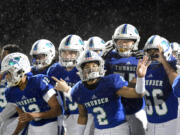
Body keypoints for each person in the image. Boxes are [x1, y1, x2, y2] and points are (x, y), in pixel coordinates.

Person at [70, 50, 150, 135]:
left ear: (100, 67)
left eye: (94, 65)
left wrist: (141, 77)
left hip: (118, 129)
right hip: (98, 130)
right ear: (81, 70)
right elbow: (82, 115)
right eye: (87, 66)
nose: (91, 69)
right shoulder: (78, 90)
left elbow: (138, 94)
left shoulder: (110, 82)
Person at [1, 52, 61, 135]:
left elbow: (57, 110)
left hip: (50, 124)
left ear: (20, 71)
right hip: (33, 127)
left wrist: (36, 115)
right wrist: (15, 133)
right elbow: (23, 118)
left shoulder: (39, 82)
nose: (6, 77)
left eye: (9, 73)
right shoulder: (10, 92)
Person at [48, 34, 94, 135]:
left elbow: (91, 97)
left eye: (72, 53)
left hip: (87, 115)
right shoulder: (54, 70)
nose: (67, 56)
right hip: (67, 116)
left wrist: (68, 90)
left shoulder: (87, 70)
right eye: (64, 52)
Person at [105, 24, 147, 135]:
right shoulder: (108, 57)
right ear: (114, 42)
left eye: (127, 41)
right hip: (115, 108)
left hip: (137, 107)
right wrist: (100, 56)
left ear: (134, 42)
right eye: (120, 41)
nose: (123, 44)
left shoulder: (142, 57)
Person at [143, 35, 179, 135]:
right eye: (149, 51)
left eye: (156, 51)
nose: (153, 55)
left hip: (169, 121)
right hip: (150, 122)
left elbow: (177, 84)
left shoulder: (172, 67)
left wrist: (163, 60)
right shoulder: (145, 69)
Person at [0, 44, 25, 135]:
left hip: (14, 117)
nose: (2, 58)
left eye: (4, 56)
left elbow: (18, 100)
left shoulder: (20, 72)